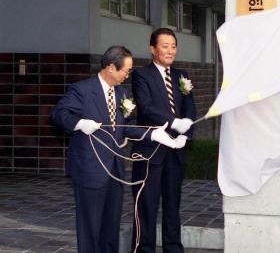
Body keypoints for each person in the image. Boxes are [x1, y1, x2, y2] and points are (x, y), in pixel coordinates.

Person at [51, 45, 182, 253]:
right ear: (111, 67)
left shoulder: (122, 93)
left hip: (115, 170)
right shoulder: (82, 90)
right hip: (90, 170)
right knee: (90, 228)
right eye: (126, 70)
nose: (128, 75)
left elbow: (125, 127)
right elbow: (59, 114)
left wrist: (153, 134)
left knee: (111, 228)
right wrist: (79, 123)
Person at [131, 28, 196, 253]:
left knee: (172, 204)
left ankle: (173, 248)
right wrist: (173, 122)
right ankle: (143, 249)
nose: (170, 51)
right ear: (153, 49)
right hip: (150, 151)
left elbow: (191, 108)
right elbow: (147, 109)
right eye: (165, 46)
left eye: (174, 46)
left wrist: (185, 134)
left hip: (175, 152)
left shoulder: (182, 76)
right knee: (146, 206)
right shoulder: (141, 75)